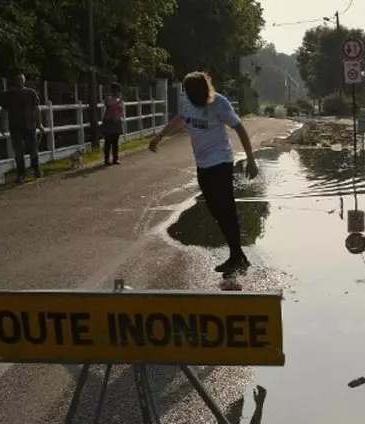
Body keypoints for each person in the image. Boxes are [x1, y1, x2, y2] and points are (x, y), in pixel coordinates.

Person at [149, 72, 258, 276]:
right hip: (203, 165)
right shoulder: (188, 103)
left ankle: (237, 256)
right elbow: (180, 120)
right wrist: (159, 136)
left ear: (202, 91)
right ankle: (237, 255)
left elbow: (240, 128)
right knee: (217, 210)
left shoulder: (219, 104)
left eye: (191, 92)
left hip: (221, 162)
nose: (188, 96)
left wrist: (251, 160)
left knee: (225, 209)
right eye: (186, 93)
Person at [1, 73, 43, 183]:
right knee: (19, 151)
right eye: (18, 79)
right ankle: (21, 173)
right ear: (15, 81)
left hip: (29, 125)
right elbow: (4, 111)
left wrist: (40, 123)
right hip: (15, 126)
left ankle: (36, 169)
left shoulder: (31, 93)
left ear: (24, 81)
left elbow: (36, 109)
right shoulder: (9, 93)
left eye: (21, 79)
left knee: (33, 148)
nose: (20, 81)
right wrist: (3, 125)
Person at [101, 82, 124, 165]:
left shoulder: (119, 99)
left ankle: (115, 159)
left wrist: (118, 117)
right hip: (109, 121)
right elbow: (108, 104)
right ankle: (106, 159)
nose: (117, 91)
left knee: (115, 142)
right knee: (107, 141)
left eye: (118, 90)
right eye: (115, 89)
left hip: (116, 121)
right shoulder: (109, 98)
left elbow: (121, 111)